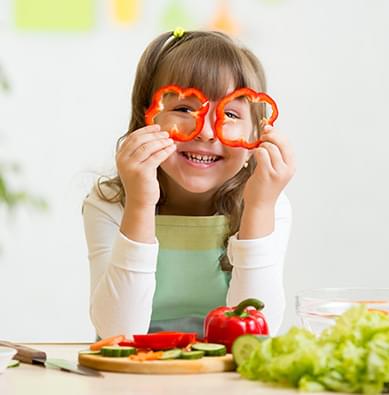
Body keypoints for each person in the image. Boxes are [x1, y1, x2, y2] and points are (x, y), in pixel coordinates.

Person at [82, 29, 295, 340]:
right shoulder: (110, 203)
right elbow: (117, 332)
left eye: (231, 113)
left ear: (256, 135)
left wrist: (259, 208)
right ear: (148, 119)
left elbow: (257, 334)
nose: (206, 132)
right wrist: (140, 203)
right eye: (184, 109)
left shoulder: (269, 204)